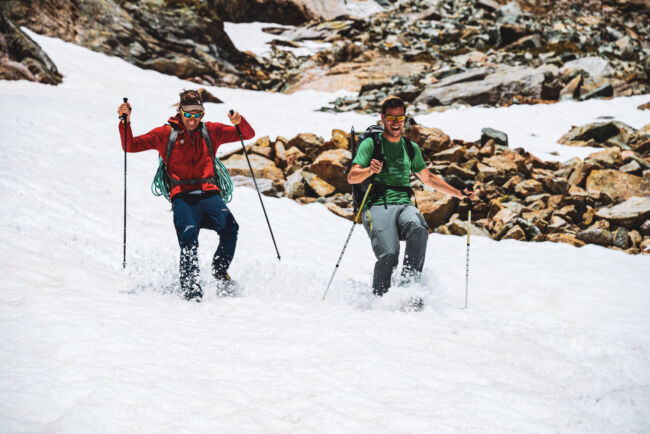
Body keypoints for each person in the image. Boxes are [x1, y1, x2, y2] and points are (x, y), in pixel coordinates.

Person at [117, 89, 255, 302]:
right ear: (180, 111)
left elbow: (247, 135)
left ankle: (219, 271)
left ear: (203, 113)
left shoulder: (211, 131)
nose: (192, 119)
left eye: (197, 114)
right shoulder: (165, 134)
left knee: (230, 229)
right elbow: (130, 145)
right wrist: (125, 123)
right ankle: (192, 292)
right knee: (189, 240)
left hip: (209, 194)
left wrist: (239, 121)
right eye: (188, 114)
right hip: (182, 197)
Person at [347, 96, 477, 297]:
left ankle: (409, 290)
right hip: (376, 205)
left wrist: (460, 195)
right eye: (391, 117)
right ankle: (379, 300)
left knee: (419, 228)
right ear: (382, 118)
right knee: (389, 254)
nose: (396, 122)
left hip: (404, 204)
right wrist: (369, 171)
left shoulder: (410, 147)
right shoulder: (371, 144)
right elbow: (352, 177)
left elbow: (429, 178)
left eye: (400, 118)